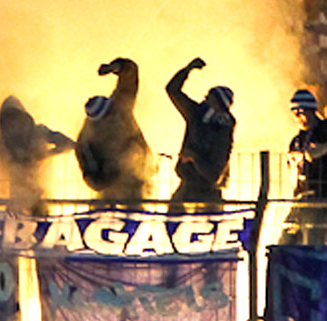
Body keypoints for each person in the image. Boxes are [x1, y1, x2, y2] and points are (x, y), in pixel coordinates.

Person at [75, 57, 156, 203]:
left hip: (137, 183)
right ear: (98, 121)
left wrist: (114, 67)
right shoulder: (85, 141)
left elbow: (130, 74)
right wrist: (115, 171)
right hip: (110, 196)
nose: (114, 117)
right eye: (108, 116)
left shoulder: (120, 107)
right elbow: (93, 181)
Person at [166, 57, 235, 209]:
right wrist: (187, 70)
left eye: (209, 99)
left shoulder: (223, 133)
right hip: (184, 189)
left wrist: (194, 158)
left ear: (219, 105)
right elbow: (172, 90)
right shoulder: (195, 114)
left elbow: (213, 174)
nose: (205, 101)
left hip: (208, 197)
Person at [0, 96, 75, 214]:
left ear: (23, 117)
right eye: (8, 119)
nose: (12, 123)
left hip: (40, 195)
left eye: (15, 117)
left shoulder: (38, 132)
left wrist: (43, 155)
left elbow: (68, 143)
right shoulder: (2, 141)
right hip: (16, 199)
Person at [281, 88, 327, 245]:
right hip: (301, 198)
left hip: (321, 197)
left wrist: (315, 152)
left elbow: (316, 152)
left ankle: (313, 268)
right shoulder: (296, 140)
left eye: (300, 111)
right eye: (294, 111)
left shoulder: (324, 129)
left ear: (311, 110)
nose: (297, 116)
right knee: (285, 237)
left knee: (313, 239)